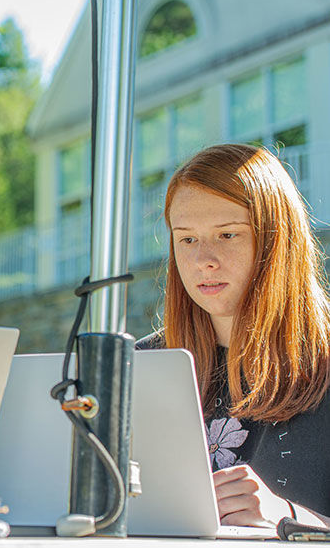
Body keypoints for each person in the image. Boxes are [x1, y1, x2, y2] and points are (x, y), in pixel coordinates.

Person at [137, 143, 330, 528]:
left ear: (278, 240)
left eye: (227, 235)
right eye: (187, 239)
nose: (203, 259)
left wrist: (289, 518)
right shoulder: (140, 366)